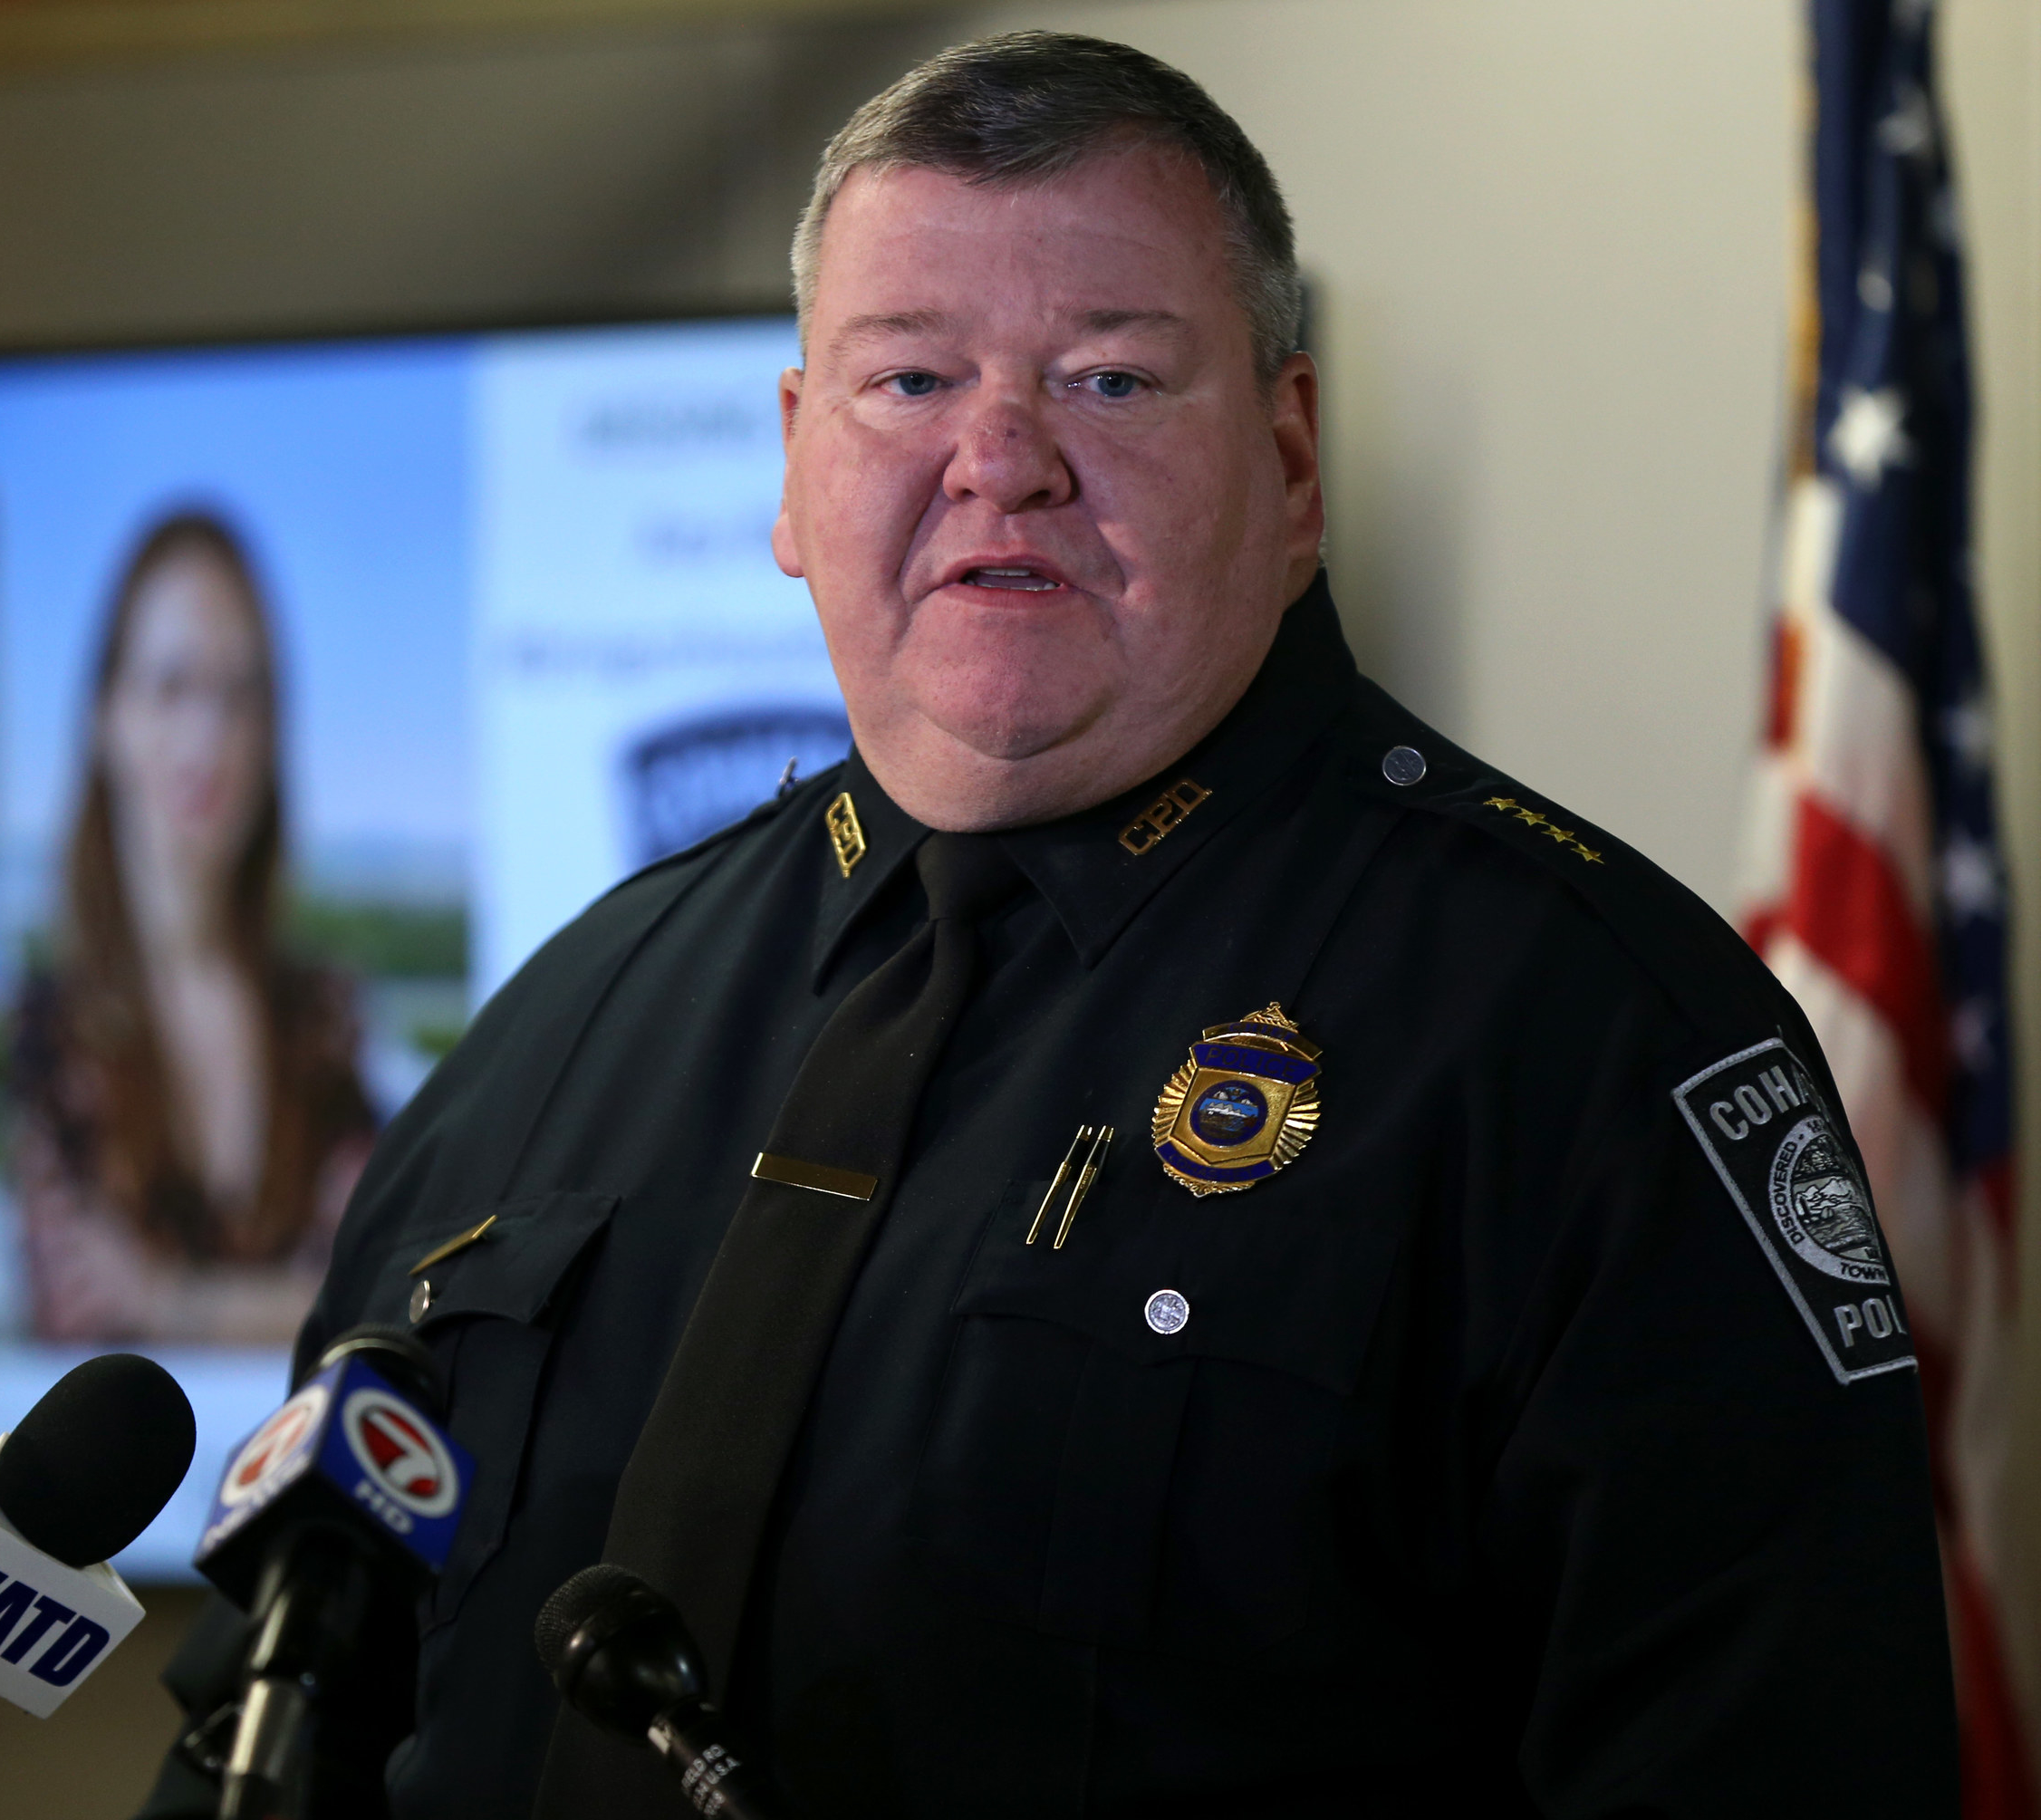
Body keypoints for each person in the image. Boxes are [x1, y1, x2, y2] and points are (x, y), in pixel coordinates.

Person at [139, 34, 1954, 1816]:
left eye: (1109, 380)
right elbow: (272, 1720)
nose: (999, 460)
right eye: (907, 381)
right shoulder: (567, 1021)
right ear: (793, 466)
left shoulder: (1592, 1037)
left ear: (1293, 452)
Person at [10, 511, 373, 1344]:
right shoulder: (50, 1031)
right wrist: (280, 1306)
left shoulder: (325, 1020)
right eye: (172, 687)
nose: (209, 739)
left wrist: (171, 1300)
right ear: (108, 715)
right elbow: (77, 1309)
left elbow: (380, 1295)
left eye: (242, 694)